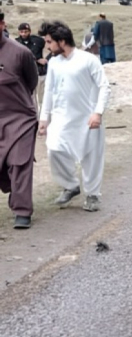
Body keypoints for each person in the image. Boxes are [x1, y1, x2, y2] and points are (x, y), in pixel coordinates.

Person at [38, 21, 110, 212]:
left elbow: (104, 86)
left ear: (62, 41)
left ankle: (93, 195)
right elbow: (49, 91)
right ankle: (70, 185)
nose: (47, 46)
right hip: (61, 118)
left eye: (49, 42)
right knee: (54, 149)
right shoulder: (54, 63)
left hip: (88, 118)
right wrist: (44, 118)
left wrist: (98, 112)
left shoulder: (88, 60)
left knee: (91, 158)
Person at [0, 14, 39, 229]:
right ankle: (15, 191)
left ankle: (22, 210)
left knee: (19, 163)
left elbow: (31, 82)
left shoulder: (20, 53)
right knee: (6, 168)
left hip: (20, 118)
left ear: (2, 24)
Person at [14, 22, 47, 110]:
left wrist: (47, 59)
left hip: (40, 72)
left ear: (30, 31)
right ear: (19, 32)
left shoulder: (38, 40)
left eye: (26, 31)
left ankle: (43, 115)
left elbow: (50, 45)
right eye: (22, 32)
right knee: (31, 99)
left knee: (42, 98)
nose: (24, 34)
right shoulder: (16, 43)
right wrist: (37, 60)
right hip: (26, 75)